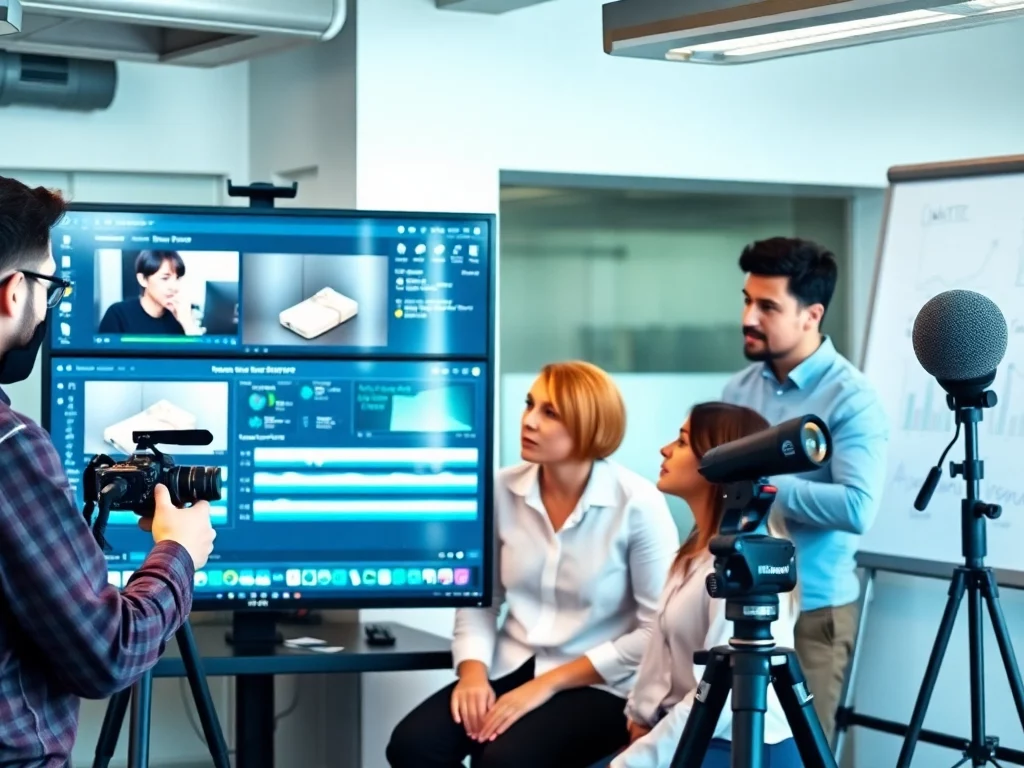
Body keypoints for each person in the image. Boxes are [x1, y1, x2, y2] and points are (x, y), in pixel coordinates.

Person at [0, 176, 217, 766]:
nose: (50, 306)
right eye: (51, 287)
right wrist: (178, 552)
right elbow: (108, 654)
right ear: (13, 292)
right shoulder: (11, 447)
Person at [386, 360, 680, 768]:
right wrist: (472, 673)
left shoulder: (638, 503)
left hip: (602, 683)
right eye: (530, 404)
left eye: (550, 413)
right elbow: (481, 600)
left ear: (588, 427)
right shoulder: (501, 489)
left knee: (504, 760)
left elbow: (656, 631)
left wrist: (546, 685)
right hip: (512, 663)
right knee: (414, 745)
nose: (529, 421)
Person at [721, 236, 889, 741]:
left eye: (767, 306)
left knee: (799, 755)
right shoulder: (738, 389)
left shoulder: (851, 398)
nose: (750, 316)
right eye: (747, 300)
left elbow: (858, 507)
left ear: (811, 315)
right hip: (744, 605)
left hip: (813, 614)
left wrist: (760, 484)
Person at [610, 402, 802, 768]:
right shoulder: (694, 554)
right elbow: (661, 651)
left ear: (723, 462)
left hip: (738, 740)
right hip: (692, 728)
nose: (665, 450)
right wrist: (640, 716)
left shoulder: (745, 566)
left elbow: (722, 696)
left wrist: (633, 762)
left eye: (681, 442)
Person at [98, 249, 197, 335]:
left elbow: (200, 354)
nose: (174, 287)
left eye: (177, 278)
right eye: (165, 278)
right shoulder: (118, 314)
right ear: (143, 280)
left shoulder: (179, 317)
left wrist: (187, 323)